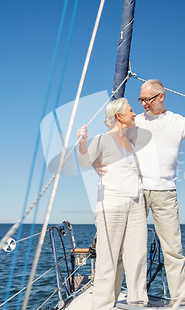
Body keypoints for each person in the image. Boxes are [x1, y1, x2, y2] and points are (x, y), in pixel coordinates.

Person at [97, 80, 185, 303]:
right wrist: (96, 163)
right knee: (123, 249)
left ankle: (181, 300)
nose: (143, 104)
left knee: (173, 251)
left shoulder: (177, 121)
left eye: (147, 99)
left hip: (165, 193)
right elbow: (110, 139)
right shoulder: (135, 121)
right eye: (141, 99)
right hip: (136, 192)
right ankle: (112, 298)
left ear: (161, 97)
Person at [77, 98, 148, 310]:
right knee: (107, 260)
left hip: (136, 204)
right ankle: (102, 306)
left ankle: (138, 303)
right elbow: (83, 162)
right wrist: (82, 142)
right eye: (130, 110)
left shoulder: (133, 140)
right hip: (111, 205)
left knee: (137, 259)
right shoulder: (102, 139)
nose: (134, 114)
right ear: (119, 116)